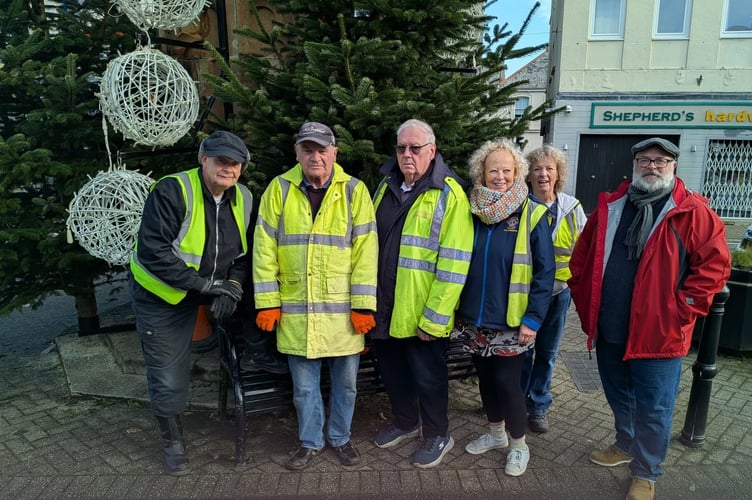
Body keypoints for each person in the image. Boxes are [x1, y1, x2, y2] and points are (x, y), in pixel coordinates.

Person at [568, 137, 731, 500]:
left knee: (654, 407)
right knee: (618, 396)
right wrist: (584, 303)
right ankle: (626, 444)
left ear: (674, 167)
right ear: (634, 165)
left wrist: (682, 309)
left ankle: (646, 471)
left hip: (660, 334)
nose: (652, 166)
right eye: (645, 160)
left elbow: (714, 269)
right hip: (611, 327)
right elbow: (582, 258)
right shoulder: (610, 207)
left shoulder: (692, 212)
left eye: (661, 161)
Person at [252, 121, 378, 471]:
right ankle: (310, 442)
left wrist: (364, 305)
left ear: (334, 153)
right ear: (297, 153)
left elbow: (366, 251)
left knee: (347, 386)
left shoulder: (355, 191)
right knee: (304, 389)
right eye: (308, 149)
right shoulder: (279, 189)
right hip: (296, 309)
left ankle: (340, 437)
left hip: (343, 314)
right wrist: (268, 301)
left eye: (322, 149)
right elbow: (264, 249)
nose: (315, 156)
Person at [130, 130, 254, 476]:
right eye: (221, 161)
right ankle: (173, 441)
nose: (228, 168)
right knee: (169, 373)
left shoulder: (243, 197)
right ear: (203, 159)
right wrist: (208, 287)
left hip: (208, 285)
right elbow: (152, 252)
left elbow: (244, 255)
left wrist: (231, 286)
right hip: (161, 294)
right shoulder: (173, 190)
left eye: (235, 163)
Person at [369, 118, 473, 469]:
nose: (407, 154)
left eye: (415, 148)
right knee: (392, 371)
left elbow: (455, 263)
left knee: (429, 378)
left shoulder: (449, 193)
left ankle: (438, 433)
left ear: (432, 150)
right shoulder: (385, 186)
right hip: (385, 305)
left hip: (422, 312)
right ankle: (405, 420)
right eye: (401, 148)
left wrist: (435, 317)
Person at [454, 138, 555, 476]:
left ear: (518, 174)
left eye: (507, 170)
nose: (500, 176)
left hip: (513, 321)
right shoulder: (470, 210)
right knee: (484, 379)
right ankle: (496, 434)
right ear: (480, 172)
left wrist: (534, 318)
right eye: (493, 170)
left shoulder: (532, 212)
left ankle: (518, 445)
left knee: (508, 384)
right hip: (474, 317)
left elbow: (545, 272)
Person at [520, 145, 587, 433]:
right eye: (536, 168)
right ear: (528, 175)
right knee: (520, 351)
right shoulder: (520, 205)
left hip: (559, 292)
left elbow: (584, 251)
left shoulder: (572, 208)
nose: (543, 174)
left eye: (549, 168)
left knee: (547, 352)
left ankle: (538, 406)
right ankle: (515, 401)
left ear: (558, 174)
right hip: (524, 291)